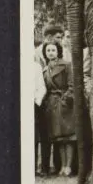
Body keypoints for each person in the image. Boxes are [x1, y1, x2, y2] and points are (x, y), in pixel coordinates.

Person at [40, 40, 77, 176]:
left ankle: (68, 167)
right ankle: (62, 166)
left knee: (69, 137)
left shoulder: (66, 65)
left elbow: (72, 85)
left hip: (65, 104)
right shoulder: (45, 68)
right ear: (45, 52)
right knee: (59, 138)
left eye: (53, 50)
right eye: (48, 50)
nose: (51, 53)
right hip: (52, 105)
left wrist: (66, 100)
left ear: (58, 51)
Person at [33, 41, 51, 175]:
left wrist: (37, 101)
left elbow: (42, 87)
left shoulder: (36, 67)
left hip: (35, 105)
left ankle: (44, 168)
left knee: (40, 136)